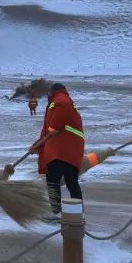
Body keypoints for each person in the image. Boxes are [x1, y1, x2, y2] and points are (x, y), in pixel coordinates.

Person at [30, 82, 85, 220]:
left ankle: (56, 212)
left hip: (61, 149)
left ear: (52, 91)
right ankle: (78, 212)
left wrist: (40, 143)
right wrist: (37, 144)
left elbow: (53, 128)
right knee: (71, 181)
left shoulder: (60, 101)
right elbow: (49, 129)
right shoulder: (64, 100)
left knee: (53, 180)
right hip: (70, 148)